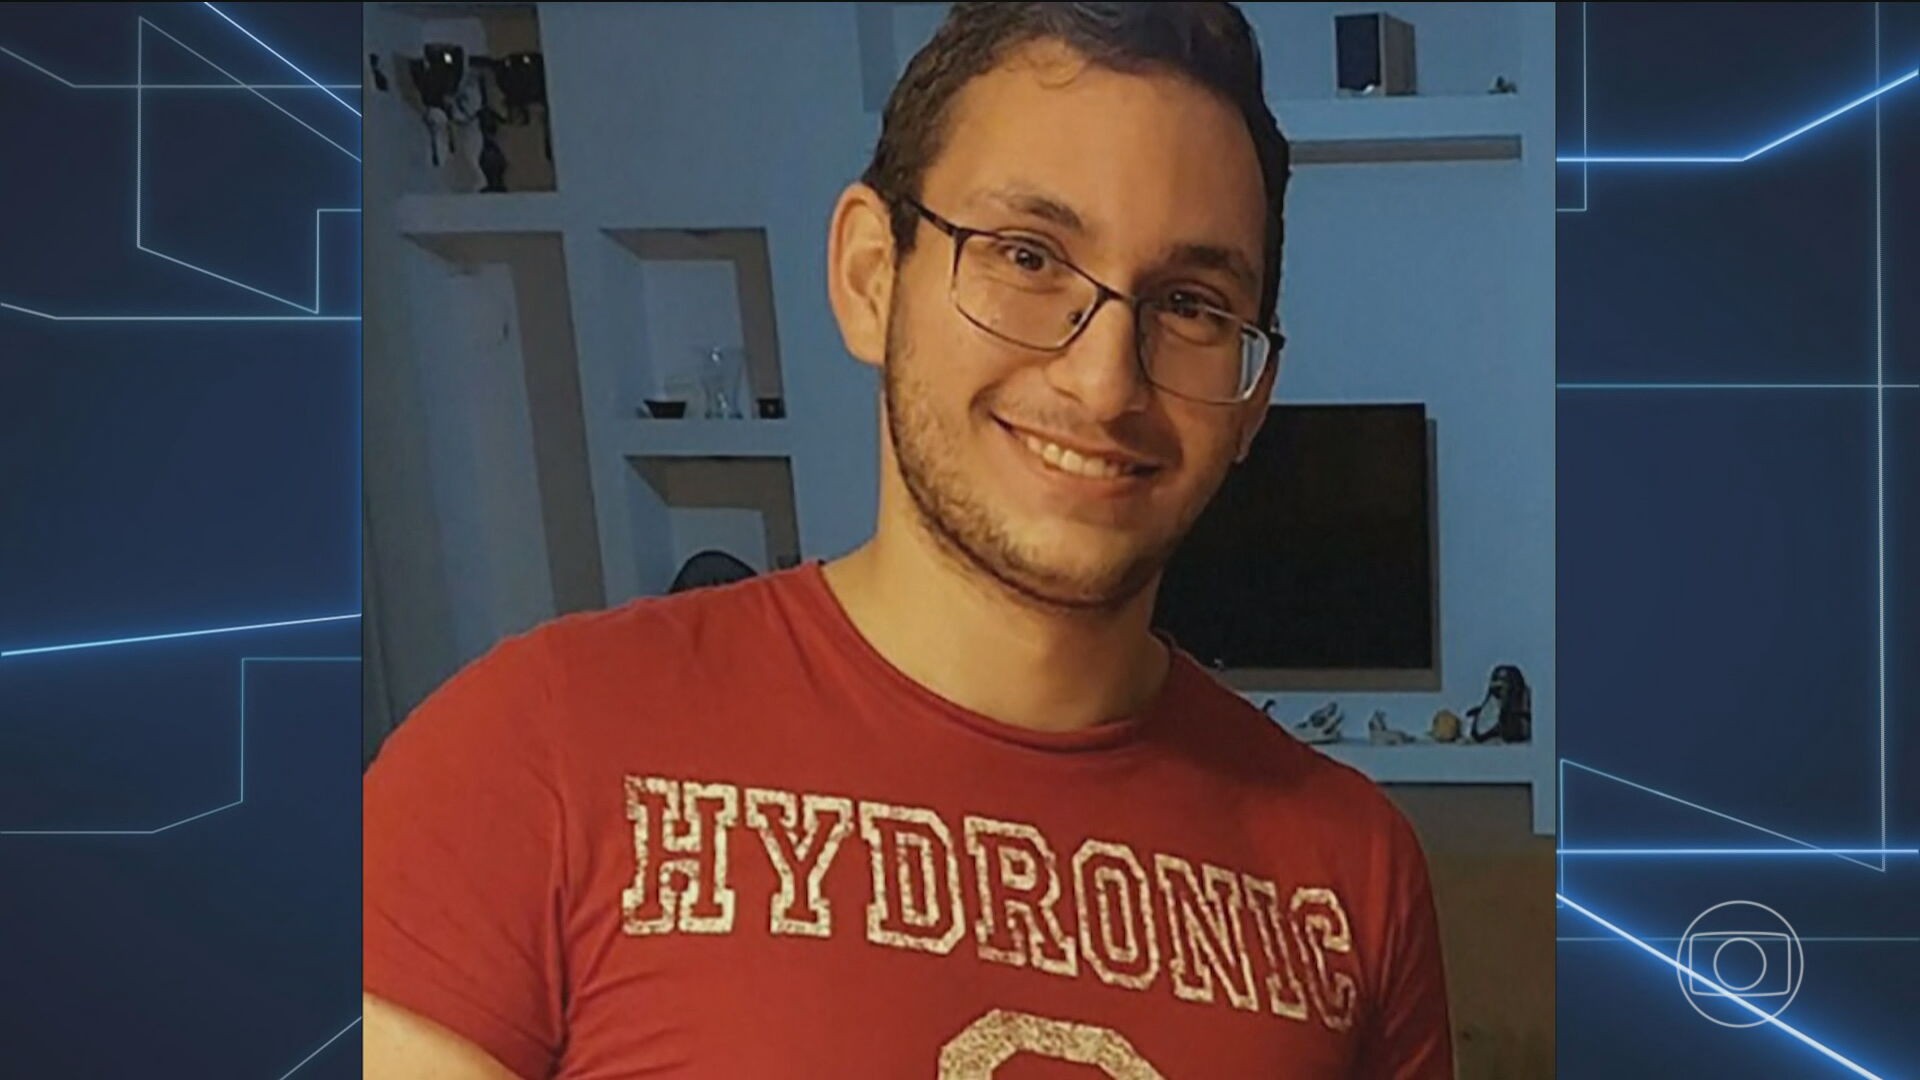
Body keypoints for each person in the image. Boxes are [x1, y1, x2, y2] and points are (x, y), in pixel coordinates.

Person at [363, 3, 1452, 1076]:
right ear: (869, 277)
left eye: (1193, 305)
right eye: (1027, 256)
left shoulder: (1353, 873)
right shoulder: (531, 756)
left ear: (1254, 395)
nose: (1104, 381)